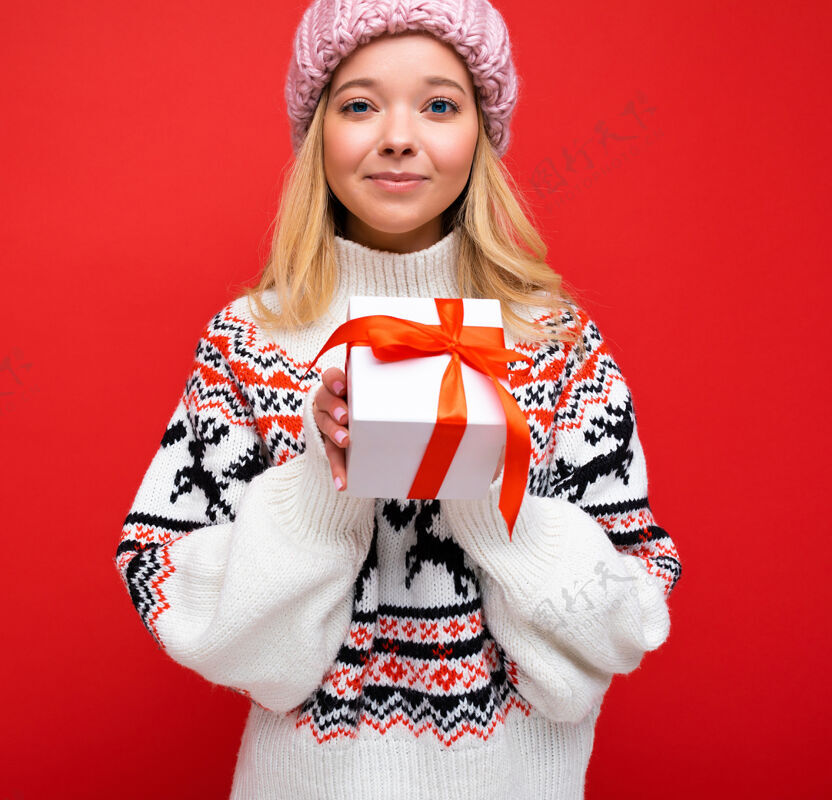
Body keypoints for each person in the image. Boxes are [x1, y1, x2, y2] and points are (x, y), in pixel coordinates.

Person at [113, 1, 683, 797]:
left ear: (483, 131)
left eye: (441, 103)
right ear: (318, 133)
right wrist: (322, 483)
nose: (399, 136)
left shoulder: (554, 344)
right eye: (359, 104)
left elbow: (623, 623)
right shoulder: (252, 339)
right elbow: (186, 603)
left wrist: (486, 481)